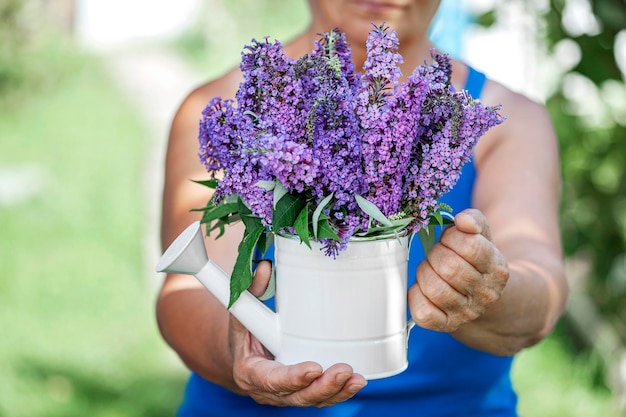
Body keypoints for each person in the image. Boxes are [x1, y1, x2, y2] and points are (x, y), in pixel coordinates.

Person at [156, 1, 568, 415]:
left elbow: (540, 290)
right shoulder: (224, 110)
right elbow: (188, 287)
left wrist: (482, 287)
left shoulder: (509, 120)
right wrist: (235, 356)